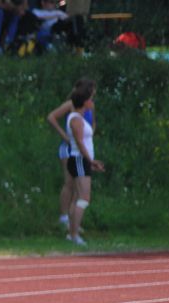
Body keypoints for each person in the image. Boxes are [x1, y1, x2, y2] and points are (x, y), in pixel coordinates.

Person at [46, 78, 95, 231]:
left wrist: (89, 135)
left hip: (82, 148)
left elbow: (92, 123)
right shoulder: (71, 104)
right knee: (70, 183)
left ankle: (74, 221)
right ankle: (64, 217)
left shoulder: (90, 105)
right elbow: (51, 117)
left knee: (79, 186)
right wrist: (65, 136)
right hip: (69, 148)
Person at [64, 82, 104, 246]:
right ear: (85, 101)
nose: (92, 102)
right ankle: (74, 234)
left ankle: (72, 232)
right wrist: (90, 160)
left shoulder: (79, 118)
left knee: (78, 198)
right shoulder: (76, 120)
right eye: (91, 99)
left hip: (81, 160)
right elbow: (80, 143)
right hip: (79, 160)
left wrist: (90, 162)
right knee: (84, 198)